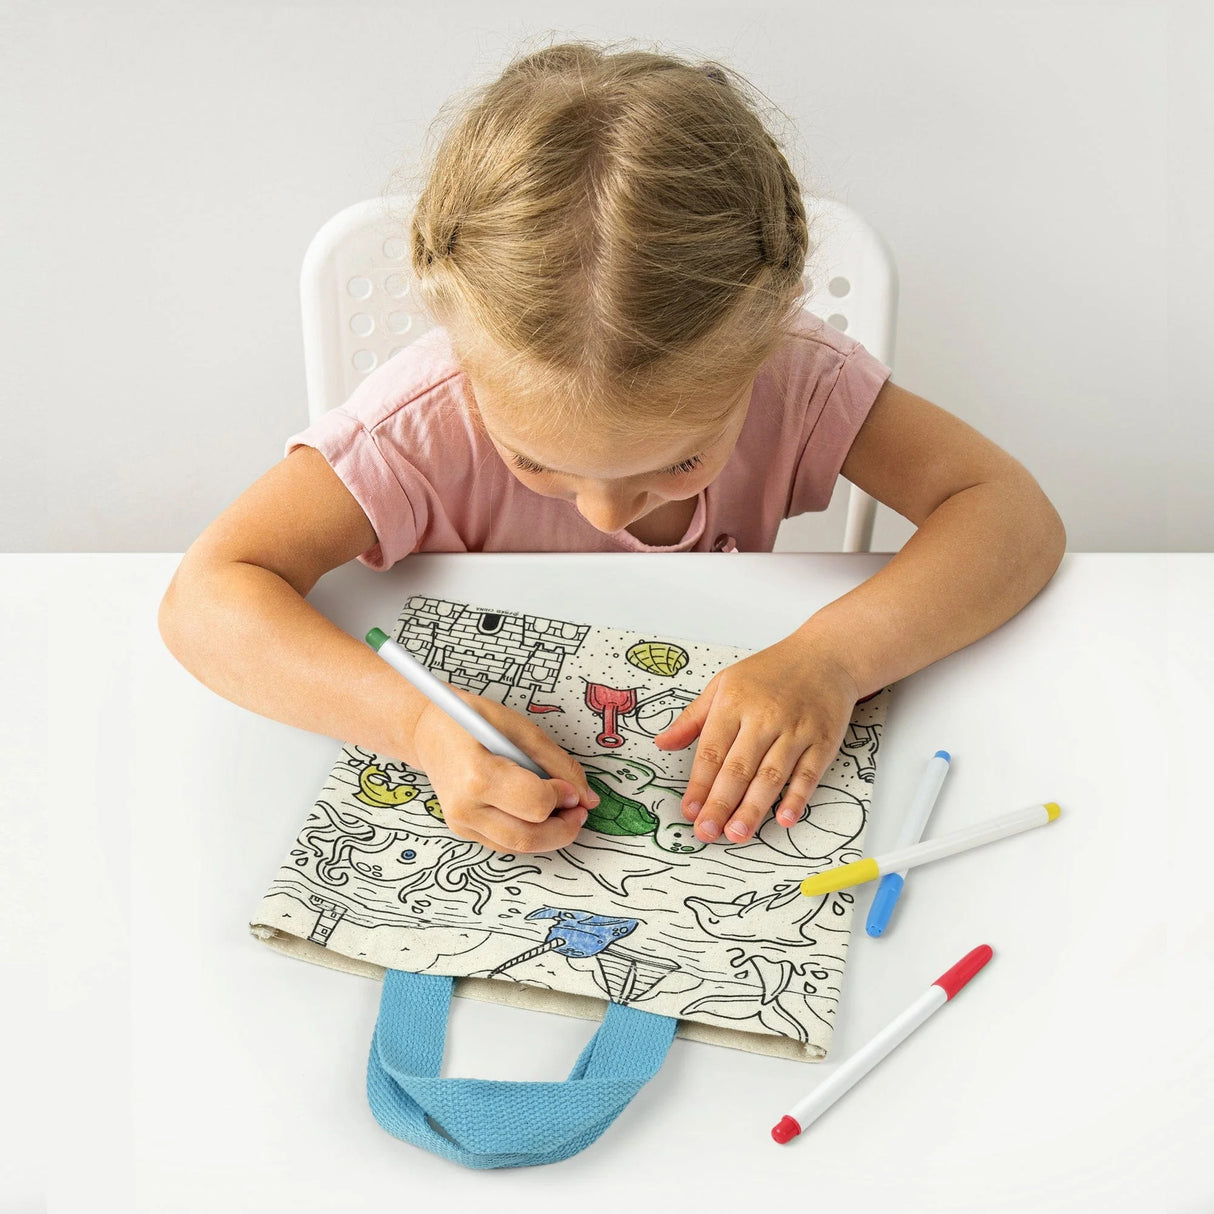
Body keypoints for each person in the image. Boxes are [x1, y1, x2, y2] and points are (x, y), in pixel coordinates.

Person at [158, 40, 1065, 858]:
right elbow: (206, 598)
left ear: (762, 347)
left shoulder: (796, 378)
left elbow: (1011, 516)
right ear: (466, 361)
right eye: (534, 459)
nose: (600, 511)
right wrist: (416, 727)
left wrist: (834, 657)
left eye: (675, 463)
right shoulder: (419, 424)